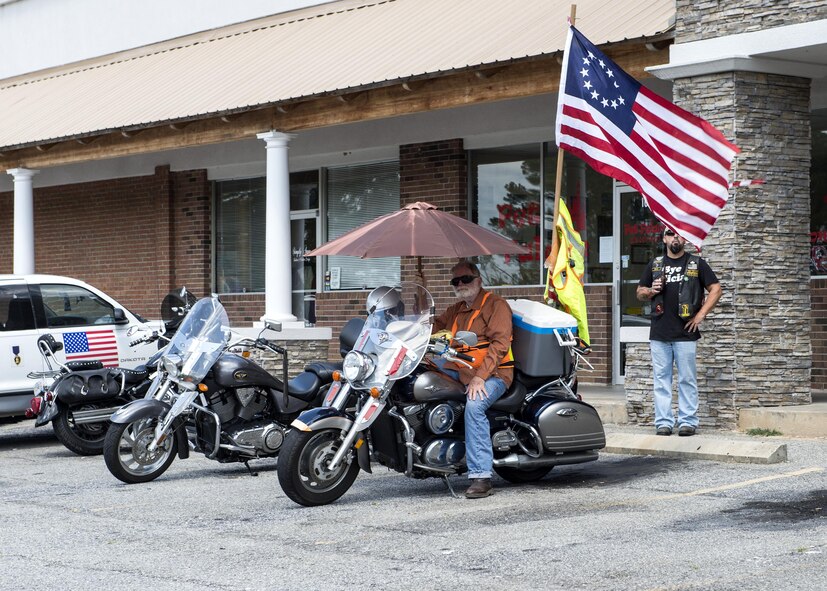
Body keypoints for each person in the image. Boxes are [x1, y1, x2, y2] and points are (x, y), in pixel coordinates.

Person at [432, 260, 514, 498]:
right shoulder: (457, 309)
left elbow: (500, 345)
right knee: (417, 377)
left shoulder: (496, 305)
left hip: (495, 373)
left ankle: (481, 475)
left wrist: (481, 377)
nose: (460, 284)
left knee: (475, 405)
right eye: (455, 281)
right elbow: (433, 327)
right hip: (460, 368)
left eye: (465, 279)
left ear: (479, 279)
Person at [637, 227, 722, 436]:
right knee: (661, 380)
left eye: (680, 234)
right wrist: (650, 291)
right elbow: (639, 292)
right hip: (659, 332)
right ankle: (664, 422)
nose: (676, 237)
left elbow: (716, 289)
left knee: (687, 379)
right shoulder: (655, 264)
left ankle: (687, 422)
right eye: (671, 234)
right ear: (665, 239)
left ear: (685, 239)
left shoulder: (696, 263)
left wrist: (701, 315)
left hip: (685, 332)